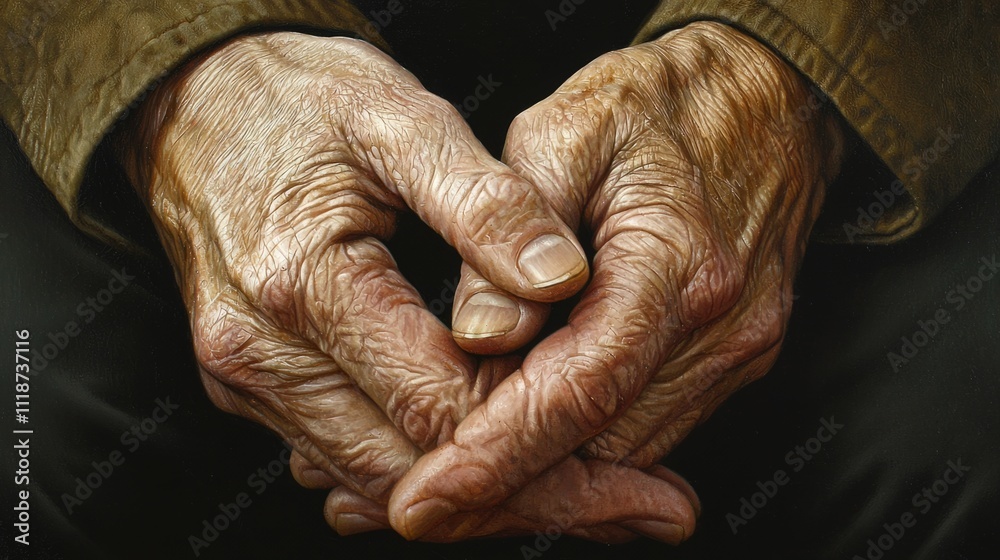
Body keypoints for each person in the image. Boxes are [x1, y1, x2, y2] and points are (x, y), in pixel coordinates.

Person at [1, 0, 996, 557]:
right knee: (26, 427)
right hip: (134, 87)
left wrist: (785, 63)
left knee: (965, 427)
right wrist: (186, 71)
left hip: (868, 86)